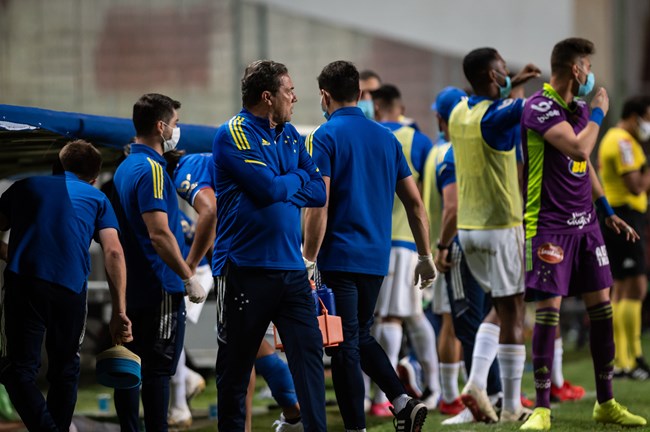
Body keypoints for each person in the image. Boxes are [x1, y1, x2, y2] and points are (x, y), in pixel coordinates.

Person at [519, 37, 646, 430]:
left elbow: (584, 164)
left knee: (602, 309)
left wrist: (606, 211)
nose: (590, 74)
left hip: (587, 225)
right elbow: (577, 147)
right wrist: (598, 114)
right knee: (549, 312)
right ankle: (541, 407)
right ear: (576, 69)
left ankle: (606, 402)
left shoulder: (575, 108)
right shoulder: (538, 107)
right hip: (549, 227)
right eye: (587, 67)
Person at [303, 60, 437, 432]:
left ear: (324, 96)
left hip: (339, 258)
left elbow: (319, 203)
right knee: (359, 334)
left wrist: (308, 257)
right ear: (361, 96)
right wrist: (425, 255)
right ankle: (402, 402)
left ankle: (357, 427)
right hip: (376, 261)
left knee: (343, 345)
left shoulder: (323, 137)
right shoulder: (387, 138)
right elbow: (415, 204)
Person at [212, 60, 327, 432]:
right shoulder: (235, 133)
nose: (295, 97)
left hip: (291, 270)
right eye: (289, 90)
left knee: (309, 361)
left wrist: (285, 184)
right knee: (235, 369)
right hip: (244, 269)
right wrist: (295, 179)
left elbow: (320, 191)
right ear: (268, 96)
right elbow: (268, 190)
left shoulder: (291, 134)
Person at [0, 140, 133, 431]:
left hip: (24, 284)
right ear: (95, 178)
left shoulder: (23, 187)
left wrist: (10, 253)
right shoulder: (97, 198)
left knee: (18, 370)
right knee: (65, 371)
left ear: (55, 166)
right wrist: (119, 311)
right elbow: (113, 251)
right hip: (71, 289)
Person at [447, 47, 541, 423]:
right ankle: (513, 405)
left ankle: (475, 383)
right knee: (515, 309)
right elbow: (534, 108)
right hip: (501, 227)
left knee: (498, 309)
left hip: (468, 231)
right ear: (489, 76)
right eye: (503, 71)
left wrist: (513, 83)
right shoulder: (500, 115)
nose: (507, 74)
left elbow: (497, 102)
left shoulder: (458, 111)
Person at [111, 93, 207, 431]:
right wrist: (187, 275)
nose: (178, 130)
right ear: (161, 126)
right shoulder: (152, 169)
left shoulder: (124, 167)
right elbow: (159, 235)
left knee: (130, 367)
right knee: (158, 372)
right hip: (160, 285)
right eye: (176, 124)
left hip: (134, 284)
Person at [368, 84, 440, 415]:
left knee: (388, 317)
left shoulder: (373, 136)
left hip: (387, 240)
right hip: (414, 240)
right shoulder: (421, 141)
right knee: (413, 314)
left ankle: (382, 396)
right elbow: (429, 192)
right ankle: (436, 387)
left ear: (378, 106)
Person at [598, 95, 650, 380]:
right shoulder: (623, 142)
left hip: (617, 216)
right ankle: (627, 360)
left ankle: (627, 357)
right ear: (634, 116)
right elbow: (635, 186)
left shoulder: (612, 138)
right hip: (625, 216)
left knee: (621, 289)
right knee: (635, 287)